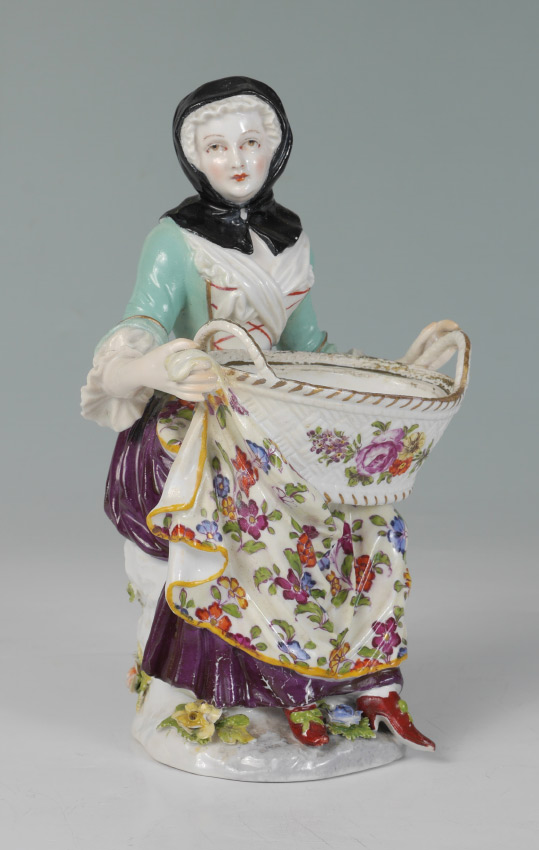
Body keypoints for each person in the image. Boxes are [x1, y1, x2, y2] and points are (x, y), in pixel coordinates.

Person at [82, 77, 434, 750]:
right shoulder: (174, 239)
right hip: (201, 415)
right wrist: (152, 366)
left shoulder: (290, 236)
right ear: (194, 158)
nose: (237, 160)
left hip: (277, 409)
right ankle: (253, 687)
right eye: (216, 147)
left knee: (362, 506)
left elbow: (306, 346)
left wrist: (384, 378)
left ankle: (352, 680)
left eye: (250, 143)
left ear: (277, 149)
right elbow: (142, 323)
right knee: (256, 515)